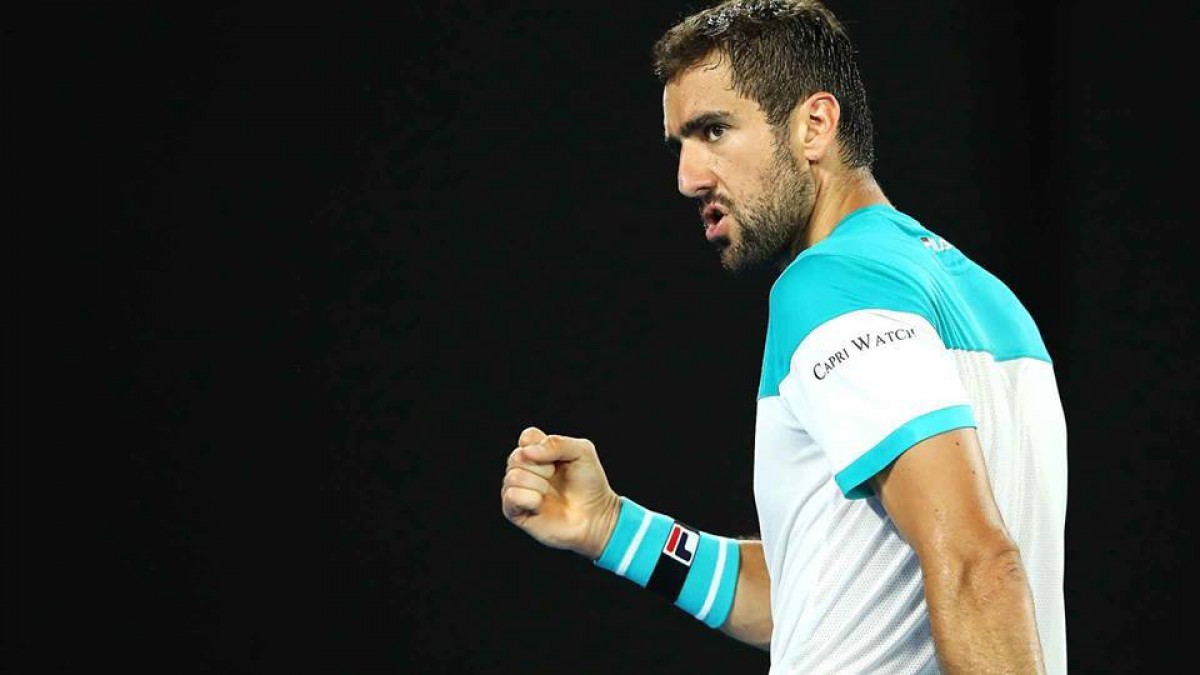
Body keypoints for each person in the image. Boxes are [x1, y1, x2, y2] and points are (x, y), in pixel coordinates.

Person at [499, 1, 1067, 672]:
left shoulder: (827, 284)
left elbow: (979, 565)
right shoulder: (997, 305)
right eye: (680, 144)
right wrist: (612, 527)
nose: (687, 178)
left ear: (814, 125)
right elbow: (817, 601)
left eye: (714, 131)